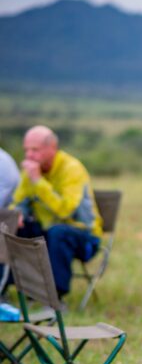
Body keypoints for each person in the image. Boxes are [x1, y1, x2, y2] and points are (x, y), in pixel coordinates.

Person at [11, 125, 102, 298]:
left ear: (52, 148)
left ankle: (54, 296)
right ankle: (14, 289)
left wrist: (38, 181)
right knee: (11, 226)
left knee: (58, 232)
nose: (29, 155)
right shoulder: (30, 171)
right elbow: (18, 201)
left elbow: (65, 211)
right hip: (46, 233)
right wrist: (18, 214)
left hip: (84, 237)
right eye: (26, 150)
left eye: (35, 150)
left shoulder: (71, 169)